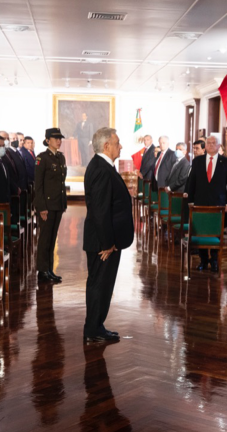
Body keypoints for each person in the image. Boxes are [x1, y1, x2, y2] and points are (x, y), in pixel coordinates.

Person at [83, 127, 134, 342]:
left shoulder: (102, 166)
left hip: (105, 240)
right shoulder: (102, 169)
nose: (120, 146)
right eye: (118, 142)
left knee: (102, 285)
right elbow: (101, 211)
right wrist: (107, 244)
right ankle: (93, 329)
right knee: (100, 285)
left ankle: (96, 326)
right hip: (103, 243)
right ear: (106, 146)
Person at [186, 135, 227, 272]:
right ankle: (203, 260)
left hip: (218, 204)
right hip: (200, 203)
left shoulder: (226, 162)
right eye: (209, 143)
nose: (211, 145)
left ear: (219, 146)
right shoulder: (197, 161)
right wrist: (190, 200)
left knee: (215, 233)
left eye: (214, 143)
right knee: (201, 232)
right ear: (205, 145)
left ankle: (214, 261)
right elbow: (192, 182)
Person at [34, 128, 68, 283]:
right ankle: (42, 271)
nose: (59, 141)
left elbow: (61, 182)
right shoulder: (42, 158)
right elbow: (38, 185)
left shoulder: (60, 157)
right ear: (48, 140)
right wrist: (41, 207)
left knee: (52, 238)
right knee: (45, 239)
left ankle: (49, 269)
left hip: (58, 203)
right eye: (55, 138)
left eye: (60, 138)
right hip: (47, 205)